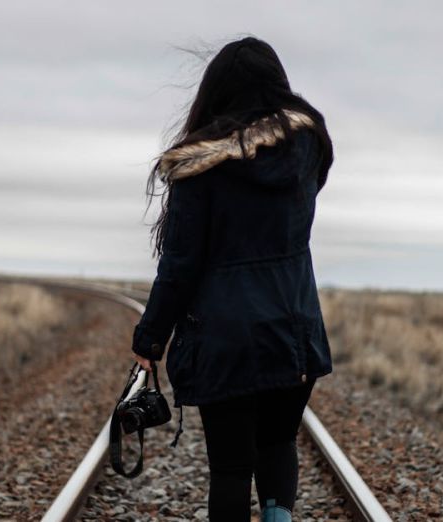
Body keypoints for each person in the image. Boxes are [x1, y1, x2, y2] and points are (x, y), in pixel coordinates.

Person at [131, 36, 334, 522]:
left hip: (226, 341)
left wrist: (150, 337)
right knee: (279, 442)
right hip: (293, 329)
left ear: (215, 93)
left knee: (230, 468)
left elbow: (180, 266)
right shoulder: (305, 153)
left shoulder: (198, 167)